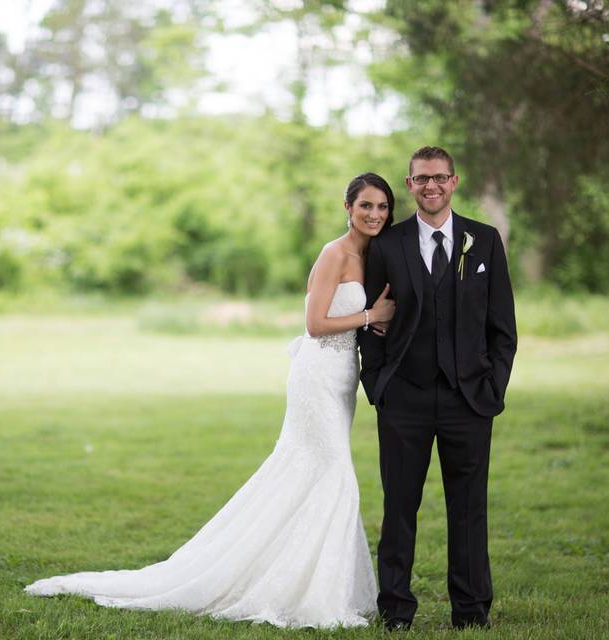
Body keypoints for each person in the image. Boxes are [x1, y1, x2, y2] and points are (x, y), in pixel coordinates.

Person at [24, 173, 398, 628]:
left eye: (381, 207)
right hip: (317, 374)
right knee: (333, 472)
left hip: (344, 378)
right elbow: (315, 323)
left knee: (311, 474)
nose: (374, 214)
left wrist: (375, 323)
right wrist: (369, 315)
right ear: (348, 207)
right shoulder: (333, 253)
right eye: (366, 206)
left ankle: (303, 577)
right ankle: (309, 593)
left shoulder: (374, 254)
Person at [357, 147, 517, 630]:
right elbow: (370, 319)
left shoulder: (484, 241)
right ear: (409, 184)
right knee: (399, 508)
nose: (431, 186)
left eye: (440, 178)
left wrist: (492, 389)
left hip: (469, 400)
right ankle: (397, 611)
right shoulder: (388, 244)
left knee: (469, 510)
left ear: (454, 181)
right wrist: (379, 385)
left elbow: (502, 329)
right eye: (422, 178)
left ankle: (470, 611)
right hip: (403, 398)